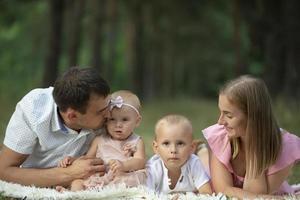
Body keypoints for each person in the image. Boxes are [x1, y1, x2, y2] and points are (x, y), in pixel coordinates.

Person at [0, 67, 110, 187]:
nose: (110, 114)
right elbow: (4, 171)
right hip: (36, 183)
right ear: (72, 116)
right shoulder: (34, 110)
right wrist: (69, 174)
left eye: (109, 104)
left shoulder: (104, 107)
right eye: (101, 112)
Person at [202, 75, 300, 199]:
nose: (220, 121)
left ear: (253, 117)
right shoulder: (221, 136)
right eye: (221, 112)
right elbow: (223, 190)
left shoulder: (285, 146)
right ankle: (201, 151)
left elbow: (256, 194)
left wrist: (254, 142)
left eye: (229, 115)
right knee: (203, 162)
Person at [57, 90, 147, 191]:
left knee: (126, 183)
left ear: (137, 121)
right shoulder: (99, 139)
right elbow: (88, 158)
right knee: (77, 182)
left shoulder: (136, 141)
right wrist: (73, 160)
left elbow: (140, 162)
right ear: (106, 120)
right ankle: (73, 195)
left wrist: (124, 165)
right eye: (112, 119)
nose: (118, 125)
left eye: (125, 119)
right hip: (101, 177)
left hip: (121, 177)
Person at [147, 114, 212, 195]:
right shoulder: (153, 167)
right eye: (166, 143)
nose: (173, 150)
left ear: (191, 147)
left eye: (180, 143)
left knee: (209, 168)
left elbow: (206, 193)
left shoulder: (194, 163)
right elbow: (146, 195)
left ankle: (201, 149)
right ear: (156, 148)